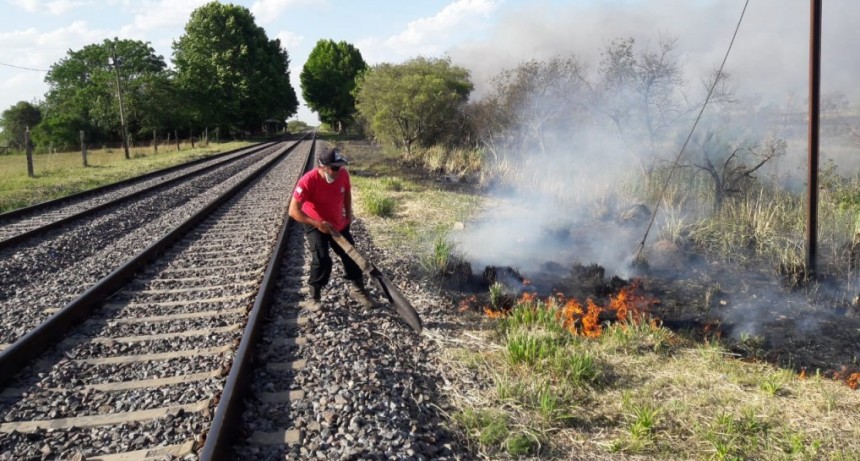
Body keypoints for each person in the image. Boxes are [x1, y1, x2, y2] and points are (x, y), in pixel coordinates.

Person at [288, 146, 373, 310]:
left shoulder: (343, 175)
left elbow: (347, 193)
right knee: (321, 259)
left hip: (337, 222)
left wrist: (348, 214)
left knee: (351, 255)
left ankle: (357, 289)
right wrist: (317, 224)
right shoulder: (308, 180)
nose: (338, 171)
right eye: (334, 168)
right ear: (322, 167)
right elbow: (293, 211)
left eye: (340, 166)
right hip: (315, 222)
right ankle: (314, 296)